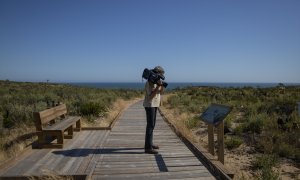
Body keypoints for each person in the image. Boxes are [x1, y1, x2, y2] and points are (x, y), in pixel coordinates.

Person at [143, 66, 165, 154]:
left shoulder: (156, 81)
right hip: (150, 105)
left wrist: (161, 86)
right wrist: (157, 86)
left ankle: (150, 143)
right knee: (150, 125)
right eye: (161, 74)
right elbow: (150, 97)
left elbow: (160, 92)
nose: (162, 75)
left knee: (152, 125)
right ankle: (148, 148)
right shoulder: (150, 82)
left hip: (155, 105)